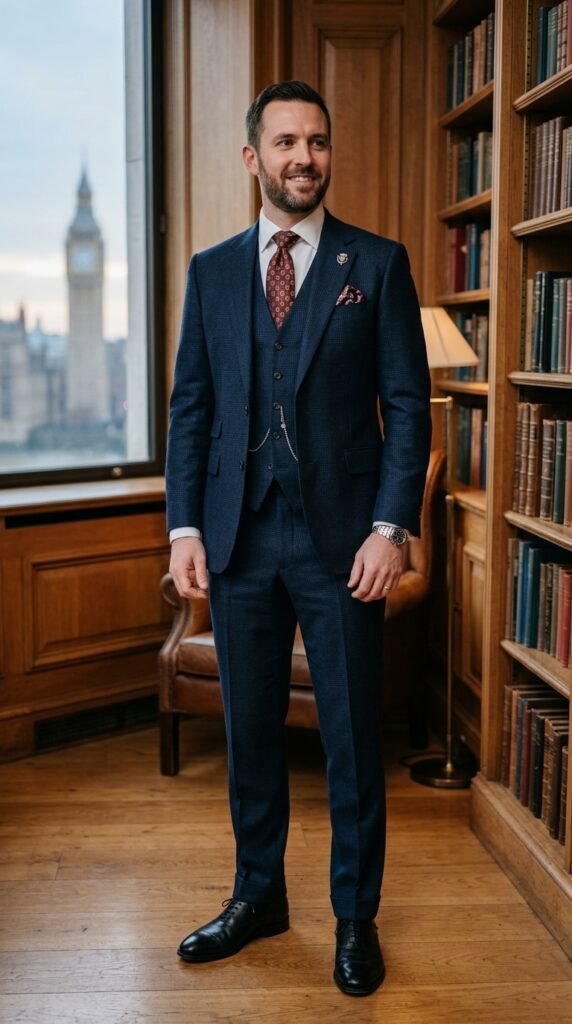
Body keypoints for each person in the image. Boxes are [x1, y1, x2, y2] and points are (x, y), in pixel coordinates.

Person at [166, 80, 431, 997]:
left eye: (316, 141)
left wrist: (391, 529)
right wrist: (185, 527)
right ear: (254, 158)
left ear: (329, 153)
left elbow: (407, 408)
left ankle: (355, 920)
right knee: (250, 738)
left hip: (343, 545)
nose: (302, 158)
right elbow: (190, 410)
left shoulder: (380, 264)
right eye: (284, 143)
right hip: (239, 540)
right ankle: (258, 897)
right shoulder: (211, 271)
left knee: (354, 739)